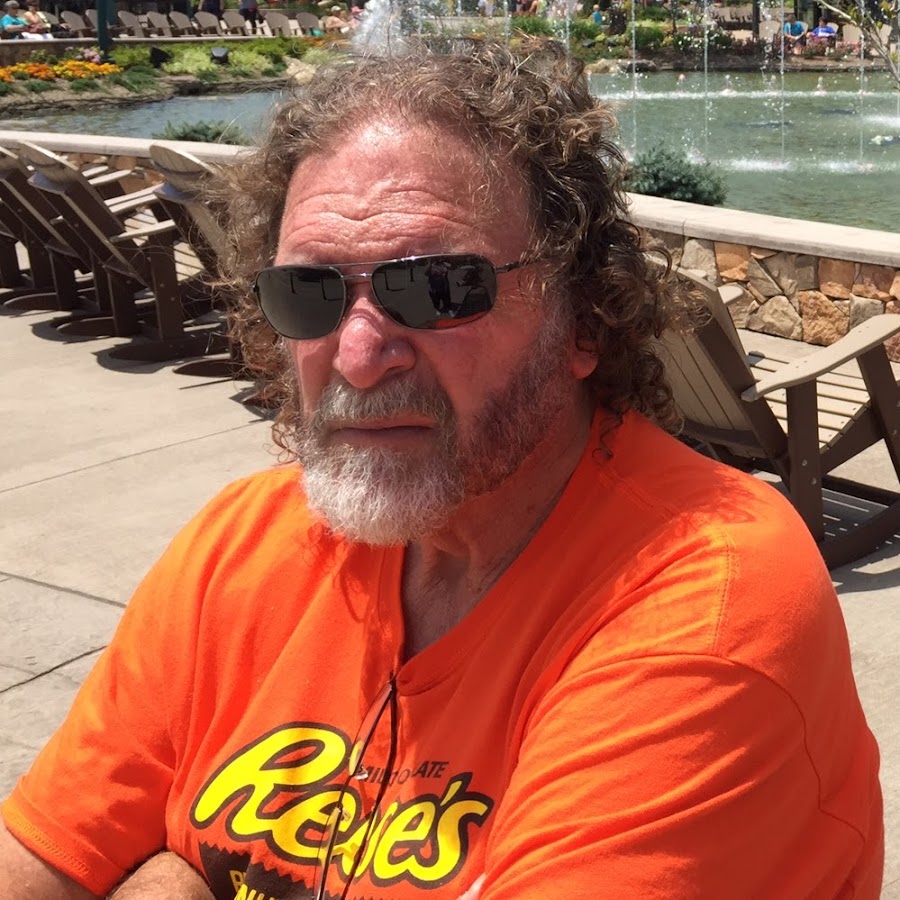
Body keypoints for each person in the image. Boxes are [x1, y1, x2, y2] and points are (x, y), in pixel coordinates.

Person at [0, 41, 884, 900]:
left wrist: (174, 873)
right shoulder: (241, 546)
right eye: (307, 292)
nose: (357, 358)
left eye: (435, 288)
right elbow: (46, 858)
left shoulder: (703, 600)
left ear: (582, 319)